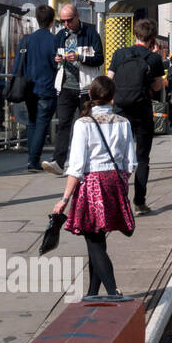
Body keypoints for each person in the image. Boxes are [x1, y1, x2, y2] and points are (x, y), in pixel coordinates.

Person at [51, 76, 136, 297]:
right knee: (98, 237)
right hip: (116, 180)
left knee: (93, 239)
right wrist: (122, 182)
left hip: (92, 183)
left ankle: (112, 291)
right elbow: (130, 162)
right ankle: (92, 291)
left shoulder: (83, 124)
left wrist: (64, 199)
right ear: (112, 98)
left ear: (90, 95)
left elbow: (77, 166)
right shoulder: (123, 122)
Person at [107, 18, 165, 214]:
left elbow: (109, 79)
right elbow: (157, 86)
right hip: (142, 109)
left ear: (135, 35)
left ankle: (116, 200)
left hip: (121, 109)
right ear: (152, 38)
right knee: (142, 158)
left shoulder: (119, 53)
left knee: (118, 155)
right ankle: (139, 202)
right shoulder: (154, 59)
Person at [44, 4, 105, 175]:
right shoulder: (60, 36)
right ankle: (58, 161)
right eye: (63, 21)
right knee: (63, 123)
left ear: (77, 16)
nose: (66, 24)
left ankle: (91, 161)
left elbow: (99, 58)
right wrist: (56, 59)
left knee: (88, 125)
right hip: (65, 86)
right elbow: (54, 56)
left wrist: (80, 57)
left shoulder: (91, 33)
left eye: (69, 20)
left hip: (86, 88)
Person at [18, 5, 58, 173]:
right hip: (47, 87)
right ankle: (33, 161)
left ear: (36, 18)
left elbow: (18, 65)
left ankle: (32, 160)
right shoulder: (54, 40)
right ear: (52, 20)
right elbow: (56, 65)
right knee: (42, 124)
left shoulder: (26, 39)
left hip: (28, 88)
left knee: (32, 122)